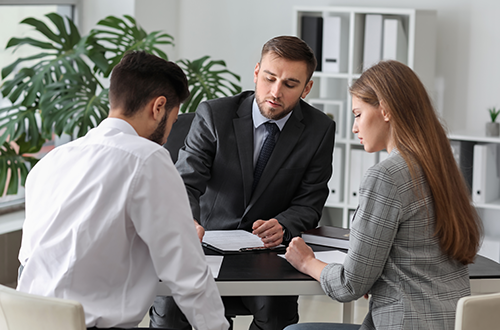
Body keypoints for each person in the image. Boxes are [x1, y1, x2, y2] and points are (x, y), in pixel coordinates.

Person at [17, 51, 229, 330]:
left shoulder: (52, 161)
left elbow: (29, 258)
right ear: (159, 107)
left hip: (23, 320)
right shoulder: (148, 158)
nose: (168, 135)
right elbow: (186, 270)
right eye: (174, 121)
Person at [150, 36, 336, 330]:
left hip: (267, 255)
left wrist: (284, 223)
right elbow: (185, 182)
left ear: (307, 88)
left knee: (276, 317)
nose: (275, 92)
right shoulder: (215, 114)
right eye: (269, 78)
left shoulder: (319, 130)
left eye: (289, 84)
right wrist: (188, 221)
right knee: (170, 312)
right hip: (205, 246)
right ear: (256, 72)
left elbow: (310, 202)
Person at [283, 60, 483, 330]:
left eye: (357, 114)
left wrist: (307, 262)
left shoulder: (387, 176)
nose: (354, 128)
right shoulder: (440, 167)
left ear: (385, 110)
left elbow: (348, 285)